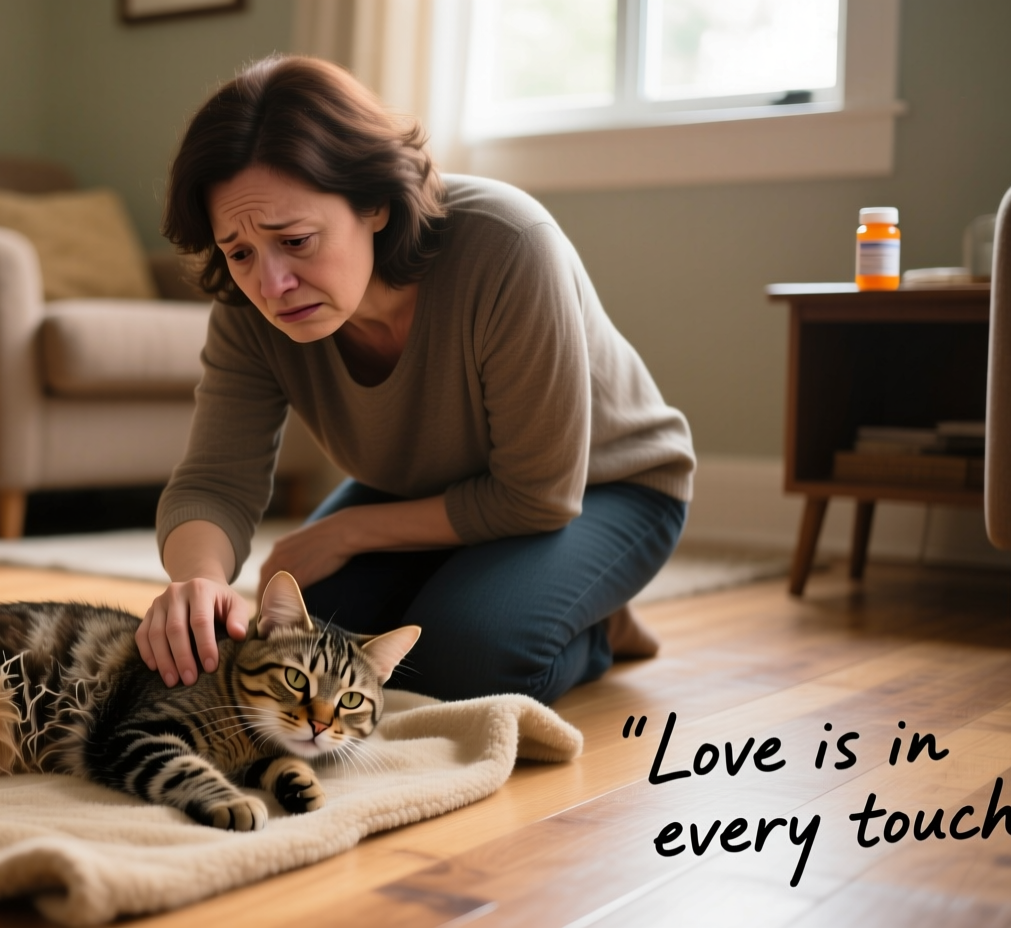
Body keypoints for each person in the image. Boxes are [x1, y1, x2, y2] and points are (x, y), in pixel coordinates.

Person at [136, 55, 695, 705]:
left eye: (296, 241)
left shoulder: (507, 245)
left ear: (373, 203)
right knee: (300, 638)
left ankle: (596, 626)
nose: (270, 285)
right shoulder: (249, 307)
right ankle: (500, 586)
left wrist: (348, 531)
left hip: (602, 490)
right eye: (239, 252)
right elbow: (214, 480)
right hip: (430, 493)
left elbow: (537, 496)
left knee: (469, 663)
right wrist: (197, 584)